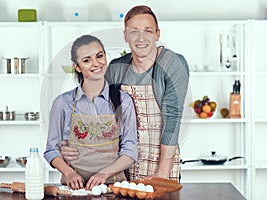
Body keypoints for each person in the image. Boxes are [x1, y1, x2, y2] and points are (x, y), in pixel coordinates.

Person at [61, 5, 189, 182]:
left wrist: (162, 173)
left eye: (148, 31)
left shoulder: (172, 63)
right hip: (120, 164)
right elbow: (95, 110)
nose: (141, 38)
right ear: (126, 35)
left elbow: (173, 118)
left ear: (157, 34)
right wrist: (69, 144)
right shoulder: (116, 68)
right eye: (134, 31)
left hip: (160, 164)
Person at [44, 35, 138, 190]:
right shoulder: (62, 103)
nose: (96, 63)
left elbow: (131, 150)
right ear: (77, 67)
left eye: (99, 56)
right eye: (87, 60)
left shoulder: (123, 100)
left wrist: (104, 174)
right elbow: (51, 150)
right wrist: (69, 173)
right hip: (74, 188)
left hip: (113, 186)